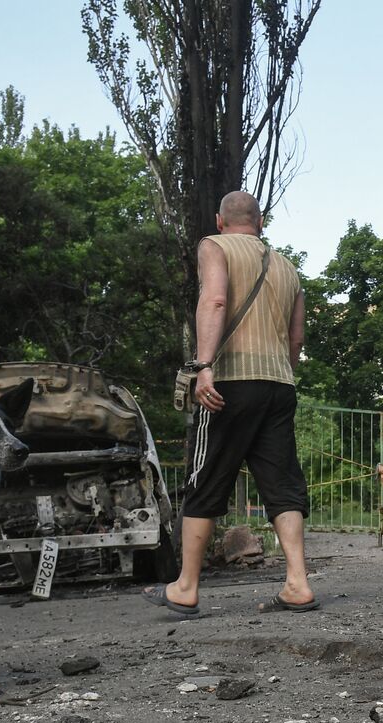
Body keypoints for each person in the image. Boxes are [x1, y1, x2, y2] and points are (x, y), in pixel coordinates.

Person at [144, 191, 318, 617]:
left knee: (205, 479)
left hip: (229, 383)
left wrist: (204, 366)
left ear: (220, 221)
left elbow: (216, 300)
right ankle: (297, 582)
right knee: (282, 483)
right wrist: (280, 373)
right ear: (260, 222)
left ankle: (185, 587)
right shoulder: (287, 266)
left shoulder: (213, 246)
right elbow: (296, 338)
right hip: (279, 384)